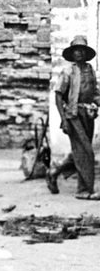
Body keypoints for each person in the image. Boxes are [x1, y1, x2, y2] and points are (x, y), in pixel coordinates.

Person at [46, 35, 100, 200]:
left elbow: (95, 93)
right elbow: (58, 96)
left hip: (88, 115)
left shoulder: (90, 70)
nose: (79, 53)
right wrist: (63, 119)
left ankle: (54, 171)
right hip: (73, 115)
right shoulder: (67, 71)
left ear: (86, 53)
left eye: (82, 50)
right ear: (72, 54)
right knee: (87, 153)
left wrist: (96, 104)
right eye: (76, 51)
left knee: (80, 151)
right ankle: (84, 190)